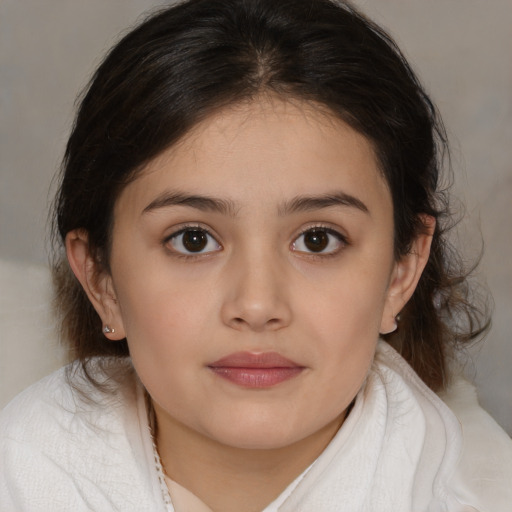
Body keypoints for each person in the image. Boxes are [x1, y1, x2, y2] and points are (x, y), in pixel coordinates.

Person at [1, 0, 511, 510]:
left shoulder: (475, 494)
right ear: (101, 280)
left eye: (317, 239)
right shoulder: (24, 472)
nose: (258, 303)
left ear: (402, 270)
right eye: (193, 240)